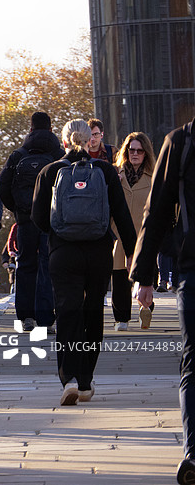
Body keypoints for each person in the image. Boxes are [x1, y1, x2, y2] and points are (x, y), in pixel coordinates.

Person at [32, 119, 135, 407]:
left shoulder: (50, 171)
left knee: (67, 311)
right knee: (92, 311)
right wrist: (131, 250)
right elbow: (122, 214)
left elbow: (38, 217)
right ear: (92, 140)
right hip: (98, 251)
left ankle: (70, 379)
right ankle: (87, 380)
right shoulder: (103, 170)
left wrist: (58, 232)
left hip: (63, 252)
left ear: (63, 142)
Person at [129, 119, 195, 485]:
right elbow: (156, 211)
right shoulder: (180, 142)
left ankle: (193, 453)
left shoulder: (179, 142)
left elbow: (155, 212)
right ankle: (193, 454)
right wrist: (144, 276)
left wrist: (143, 278)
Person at [0, 111, 63, 331]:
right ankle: (47, 319)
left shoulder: (18, 155)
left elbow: (2, 186)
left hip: (26, 219)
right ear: (51, 129)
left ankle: (26, 317)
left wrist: (17, 209)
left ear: (31, 128)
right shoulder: (58, 154)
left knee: (25, 265)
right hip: (51, 219)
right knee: (48, 265)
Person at [111, 132, 156, 331]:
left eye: (139, 150)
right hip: (119, 235)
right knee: (119, 275)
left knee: (144, 274)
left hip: (143, 235)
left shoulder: (153, 177)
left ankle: (145, 308)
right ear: (126, 151)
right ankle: (122, 318)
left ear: (146, 153)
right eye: (131, 150)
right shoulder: (115, 173)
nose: (135, 154)